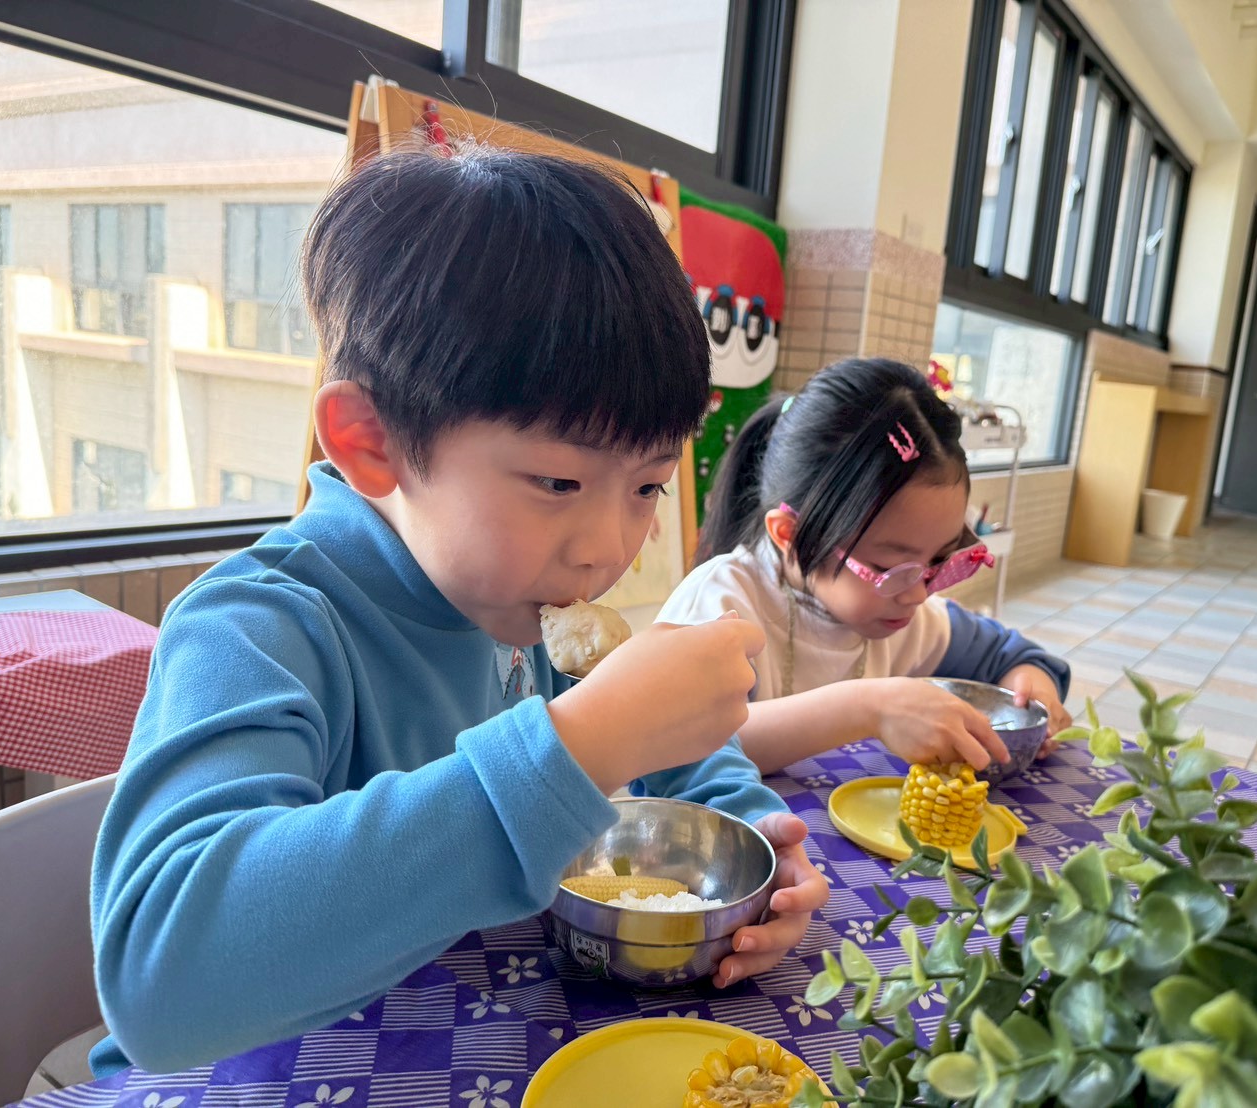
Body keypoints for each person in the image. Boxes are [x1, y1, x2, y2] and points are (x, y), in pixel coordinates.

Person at [88, 145, 827, 1076]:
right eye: (557, 482)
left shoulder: (520, 607)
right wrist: (574, 749)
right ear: (372, 442)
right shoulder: (259, 627)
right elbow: (161, 983)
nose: (608, 550)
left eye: (646, 486)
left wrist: (758, 841)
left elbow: (677, 755)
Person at [659, 358, 1071, 775]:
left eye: (938, 561)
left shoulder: (908, 621)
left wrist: (1031, 687)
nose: (918, 594)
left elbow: (1008, 654)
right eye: (889, 567)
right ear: (791, 536)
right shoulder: (721, 605)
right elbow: (676, 745)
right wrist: (868, 709)